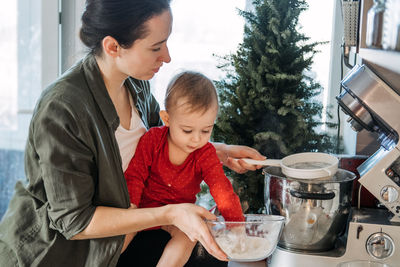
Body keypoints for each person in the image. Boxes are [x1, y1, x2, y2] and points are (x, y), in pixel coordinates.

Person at [0, 1, 265, 266]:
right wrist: (169, 214)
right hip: (64, 251)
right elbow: (74, 221)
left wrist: (220, 152)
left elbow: (160, 144)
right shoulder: (62, 109)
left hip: (122, 236)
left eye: (166, 42)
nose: (167, 56)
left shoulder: (136, 84)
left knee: (207, 249)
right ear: (113, 47)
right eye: (155, 47)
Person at [124, 71, 245, 267]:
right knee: (123, 234)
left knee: (189, 237)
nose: (197, 139)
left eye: (206, 130)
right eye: (187, 130)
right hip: (145, 212)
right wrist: (131, 208)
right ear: (167, 118)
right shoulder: (153, 140)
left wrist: (236, 224)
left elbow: (221, 189)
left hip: (180, 218)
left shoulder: (204, 152)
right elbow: (135, 177)